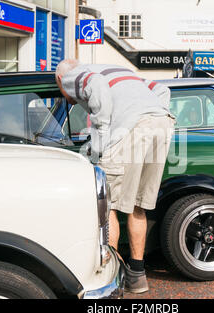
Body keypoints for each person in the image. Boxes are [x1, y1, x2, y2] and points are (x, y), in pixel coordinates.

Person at [55, 59, 175, 294]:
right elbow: (162, 89)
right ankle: (137, 276)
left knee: (108, 206)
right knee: (137, 207)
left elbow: (96, 85)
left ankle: (113, 279)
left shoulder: (73, 75)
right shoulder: (119, 71)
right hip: (162, 123)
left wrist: (100, 136)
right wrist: (150, 117)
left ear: (60, 79)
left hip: (132, 130)